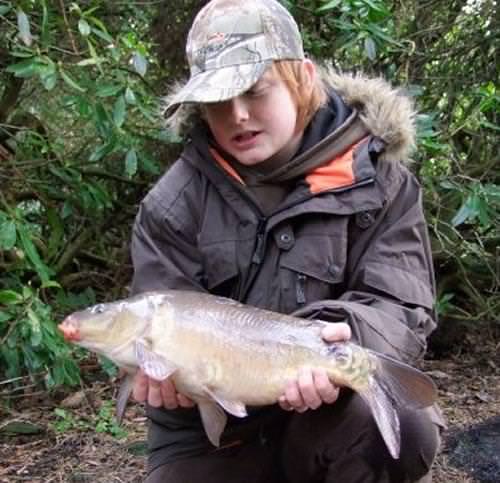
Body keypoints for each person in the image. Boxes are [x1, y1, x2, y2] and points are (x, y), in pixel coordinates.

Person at [129, 0, 445, 481]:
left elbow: (400, 307)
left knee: (403, 429)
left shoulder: (381, 183)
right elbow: (151, 318)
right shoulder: (171, 204)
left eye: (255, 92)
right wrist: (160, 373)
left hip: (328, 411)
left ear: (302, 76)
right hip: (214, 432)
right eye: (217, 101)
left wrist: (339, 338)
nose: (237, 115)